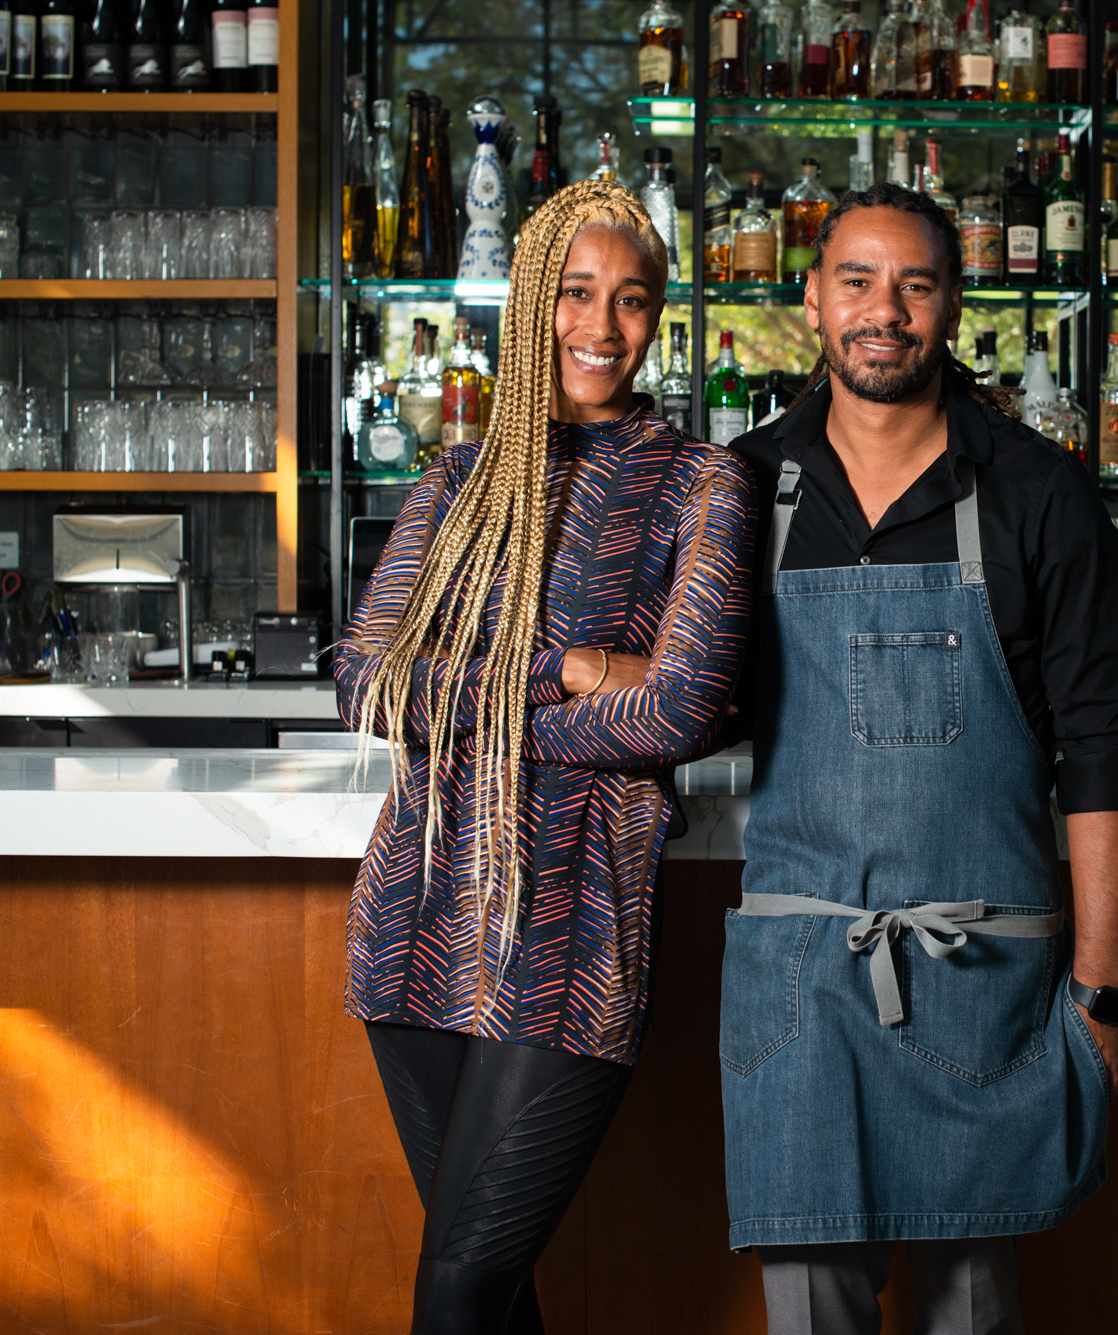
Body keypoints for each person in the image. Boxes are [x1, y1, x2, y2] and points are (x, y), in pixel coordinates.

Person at [721, 181, 1118, 1334]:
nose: (882, 310)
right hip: (801, 984)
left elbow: (1101, 757)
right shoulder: (740, 490)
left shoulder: (1038, 493)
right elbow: (685, 695)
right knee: (811, 1314)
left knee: (973, 1312)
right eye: (855, 281)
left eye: (913, 284)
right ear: (811, 301)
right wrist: (583, 672)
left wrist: (1100, 1001)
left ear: (952, 305)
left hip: (980, 983)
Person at [336, 178, 756, 1333]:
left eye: (631, 301)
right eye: (576, 294)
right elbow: (367, 681)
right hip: (417, 915)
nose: (601, 328)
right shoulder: (455, 485)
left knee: (457, 1292)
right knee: (490, 1291)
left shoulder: (700, 484)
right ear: (530, 305)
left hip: (572, 928)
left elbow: (677, 712)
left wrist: (468, 698)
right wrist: (571, 669)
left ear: (657, 319)